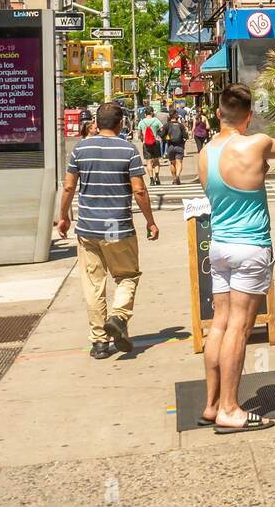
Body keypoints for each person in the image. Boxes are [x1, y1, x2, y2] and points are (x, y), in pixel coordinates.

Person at [198, 83, 275, 433]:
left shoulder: (205, 153)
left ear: (219, 113)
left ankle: (212, 403)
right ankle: (231, 408)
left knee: (219, 324)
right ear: (249, 116)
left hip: (219, 247)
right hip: (250, 248)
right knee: (240, 326)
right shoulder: (257, 143)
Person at [57, 102, 159, 359]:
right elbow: (138, 190)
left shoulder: (80, 149)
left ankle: (99, 342)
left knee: (93, 283)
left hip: (87, 227)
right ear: (120, 124)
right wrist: (150, 221)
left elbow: (69, 187)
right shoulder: (128, 150)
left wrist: (63, 217)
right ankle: (119, 316)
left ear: (97, 123)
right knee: (126, 275)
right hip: (116, 226)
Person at [135, 107, 163, 186]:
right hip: (155, 142)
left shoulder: (141, 122)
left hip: (146, 143)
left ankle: (151, 180)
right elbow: (162, 129)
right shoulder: (156, 120)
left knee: (148, 162)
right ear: (152, 113)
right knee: (156, 161)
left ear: (145, 114)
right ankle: (157, 178)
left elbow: (139, 134)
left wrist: (142, 139)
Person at [162, 109, 188, 185]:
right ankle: (177, 176)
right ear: (177, 117)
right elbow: (185, 136)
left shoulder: (167, 125)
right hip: (179, 146)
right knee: (179, 162)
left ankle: (174, 179)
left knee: (172, 163)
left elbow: (162, 135)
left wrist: (166, 139)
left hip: (170, 146)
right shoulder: (180, 125)